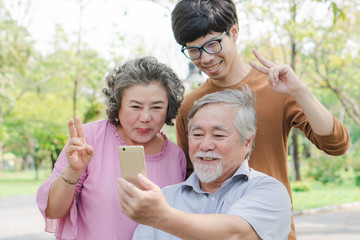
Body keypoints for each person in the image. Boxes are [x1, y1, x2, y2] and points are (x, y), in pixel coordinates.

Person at [171, 1, 350, 239]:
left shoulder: (277, 87)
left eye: (212, 44)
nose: (205, 58)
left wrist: (300, 92)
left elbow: (336, 145)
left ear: (233, 33)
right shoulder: (190, 105)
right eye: (193, 50)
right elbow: (189, 177)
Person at [36, 56, 187, 240]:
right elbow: (53, 211)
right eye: (135, 106)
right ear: (118, 104)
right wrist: (73, 171)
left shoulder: (175, 155)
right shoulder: (88, 140)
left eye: (156, 107)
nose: (146, 117)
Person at [118, 88, 292, 240]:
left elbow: (236, 234)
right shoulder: (166, 198)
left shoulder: (269, 190)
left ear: (247, 141)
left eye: (218, 135)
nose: (205, 145)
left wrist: (161, 216)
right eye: (198, 134)